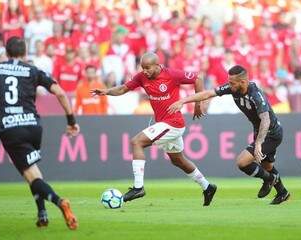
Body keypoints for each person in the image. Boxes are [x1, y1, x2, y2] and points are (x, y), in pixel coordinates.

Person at [91, 52, 217, 206]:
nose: (144, 71)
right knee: (178, 160)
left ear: (158, 65)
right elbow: (123, 88)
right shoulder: (142, 77)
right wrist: (107, 91)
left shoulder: (171, 74)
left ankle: (138, 188)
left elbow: (198, 78)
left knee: (136, 142)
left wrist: (199, 105)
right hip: (163, 123)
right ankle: (207, 187)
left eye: (148, 68)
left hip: (173, 123)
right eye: (142, 67)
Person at [0, 37, 79, 229]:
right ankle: (42, 214)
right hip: (33, 127)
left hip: (11, 129)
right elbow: (60, 93)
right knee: (31, 170)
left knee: (30, 175)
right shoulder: (32, 70)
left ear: (7, 52)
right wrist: (71, 122)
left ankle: (60, 202)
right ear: (25, 52)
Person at [168, 65, 290, 205]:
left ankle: (269, 179)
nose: (229, 85)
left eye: (232, 82)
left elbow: (266, 119)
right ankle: (282, 192)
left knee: (242, 162)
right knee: (267, 166)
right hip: (260, 131)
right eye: (229, 81)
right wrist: (183, 101)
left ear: (243, 82)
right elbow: (208, 93)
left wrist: (258, 143)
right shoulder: (233, 88)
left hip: (271, 133)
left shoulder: (256, 94)